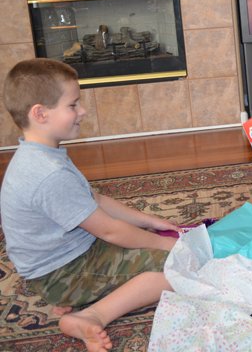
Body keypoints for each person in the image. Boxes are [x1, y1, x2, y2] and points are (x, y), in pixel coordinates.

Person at [1, 59, 181, 352]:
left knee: (148, 240)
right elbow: (110, 231)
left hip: (71, 257)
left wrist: (148, 221)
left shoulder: (42, 154)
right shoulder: (48, 174)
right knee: (181, 270)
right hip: (64, 272)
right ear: (40, 114)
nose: (82, 111)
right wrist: (166, 245)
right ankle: (91, 315)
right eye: (73, 105)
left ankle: (81, 295)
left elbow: (94, 200)